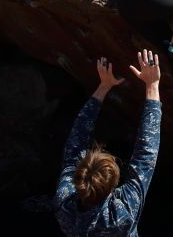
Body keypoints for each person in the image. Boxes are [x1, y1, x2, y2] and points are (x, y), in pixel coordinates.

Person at [54, 50, 162, 237]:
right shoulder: (122, 212)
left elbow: (145, 158)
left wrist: (104, 87)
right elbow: (145, 156)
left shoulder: (65, 203)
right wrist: (152, 85)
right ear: (114, 185)